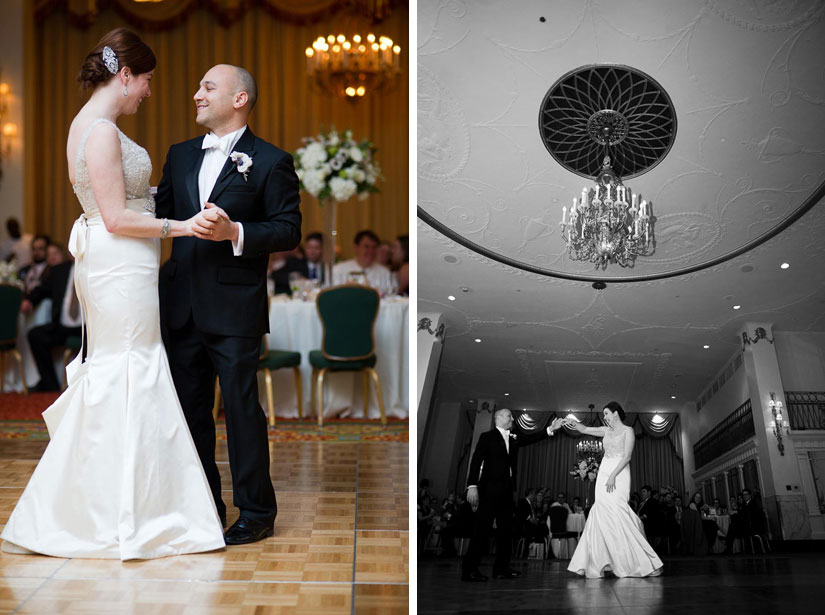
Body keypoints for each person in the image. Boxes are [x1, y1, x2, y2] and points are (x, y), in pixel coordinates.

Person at [1, 28, 225, 560]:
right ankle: (128, 512)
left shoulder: (88, 127)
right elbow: (117, 218)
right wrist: (184, 225)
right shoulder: (100, 130)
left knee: (125, 368)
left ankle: (121, 504)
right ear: (125, 75)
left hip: (118, 262)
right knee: (132, 366)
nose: (147, 91)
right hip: (120, 262)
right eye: (145, 80)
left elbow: (118, 200)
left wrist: (158, 203)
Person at [155, 63, 301, 545]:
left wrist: (235, 231)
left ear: (239, 99)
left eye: (207, 87)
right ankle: (204, 506)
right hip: (180, 304)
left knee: (241, 412)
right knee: (189, 412)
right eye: (198, 86)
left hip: (235, 308)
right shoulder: (178, 156)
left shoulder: (271, 160)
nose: (196, 94)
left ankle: (257, 512)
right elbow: (159, 219)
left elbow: (288, 229)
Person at [461, 409, 564, 582]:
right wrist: (472, 485)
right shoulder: (487, 437)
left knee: (506, 530)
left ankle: (501, 568)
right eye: (509, 416)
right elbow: (476, 460)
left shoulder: (514, 436)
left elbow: (533, 438)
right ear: (499, 418)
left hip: (507, 491)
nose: (512, 419)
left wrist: (550, 429)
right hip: (488, 490)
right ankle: (469, 570)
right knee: (482, 530)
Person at [565, 402, 663, 578]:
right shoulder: (606, 430)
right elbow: (584, 429)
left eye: (607, 413)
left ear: (616, 413)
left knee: (618, 511)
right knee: (601, 511)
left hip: (619, 472)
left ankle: (641, 561)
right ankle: (601, 561)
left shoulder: (628, 431)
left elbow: (627, 457)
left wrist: (612, 475)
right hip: (604, 471)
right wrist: (570, 422)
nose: (605, 417)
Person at [21, 258, 82, 392]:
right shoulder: (60, 270)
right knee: (35, 335)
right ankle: (51, 387)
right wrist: (29, 300)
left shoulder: (95, 268)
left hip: (86, 330)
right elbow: (43, 288)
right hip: (62, 326)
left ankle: (81, 388)